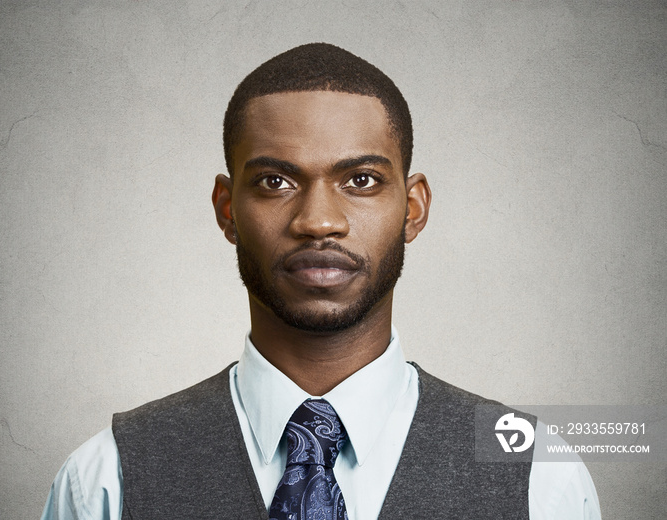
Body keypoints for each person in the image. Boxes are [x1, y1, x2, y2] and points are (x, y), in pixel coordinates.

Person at [41, 43, 601, 519]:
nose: (318, 220)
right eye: (275, 181)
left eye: (360, 179)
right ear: (227, 209)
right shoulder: (106, 482)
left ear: (413, 208)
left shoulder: (538, 479)